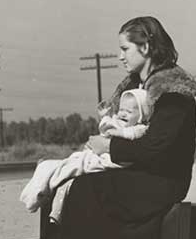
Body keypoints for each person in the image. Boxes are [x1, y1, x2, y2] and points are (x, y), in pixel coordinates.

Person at [48, 16, 196, 239]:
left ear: (146, 47)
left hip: (165, 179)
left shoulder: (172, 92)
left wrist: (108, 146)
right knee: (72, 184)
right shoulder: (135, 87)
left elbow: (156, 148)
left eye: (125, 49)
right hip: (140, 171)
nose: (120, 57)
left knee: (89, 189)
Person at [19, 88, 151, 222]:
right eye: (121, 110)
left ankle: (41, 193)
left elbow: (132, 133)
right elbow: (106, 127)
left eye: (129, 112)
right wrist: (105, 116)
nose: (123, 114)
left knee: (66, 170)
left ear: (141, 115)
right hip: (98, 157)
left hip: (104, 162)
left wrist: (117, 133)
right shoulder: (120, 123)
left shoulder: (139, 129)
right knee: (63, 169)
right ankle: (42, 189)